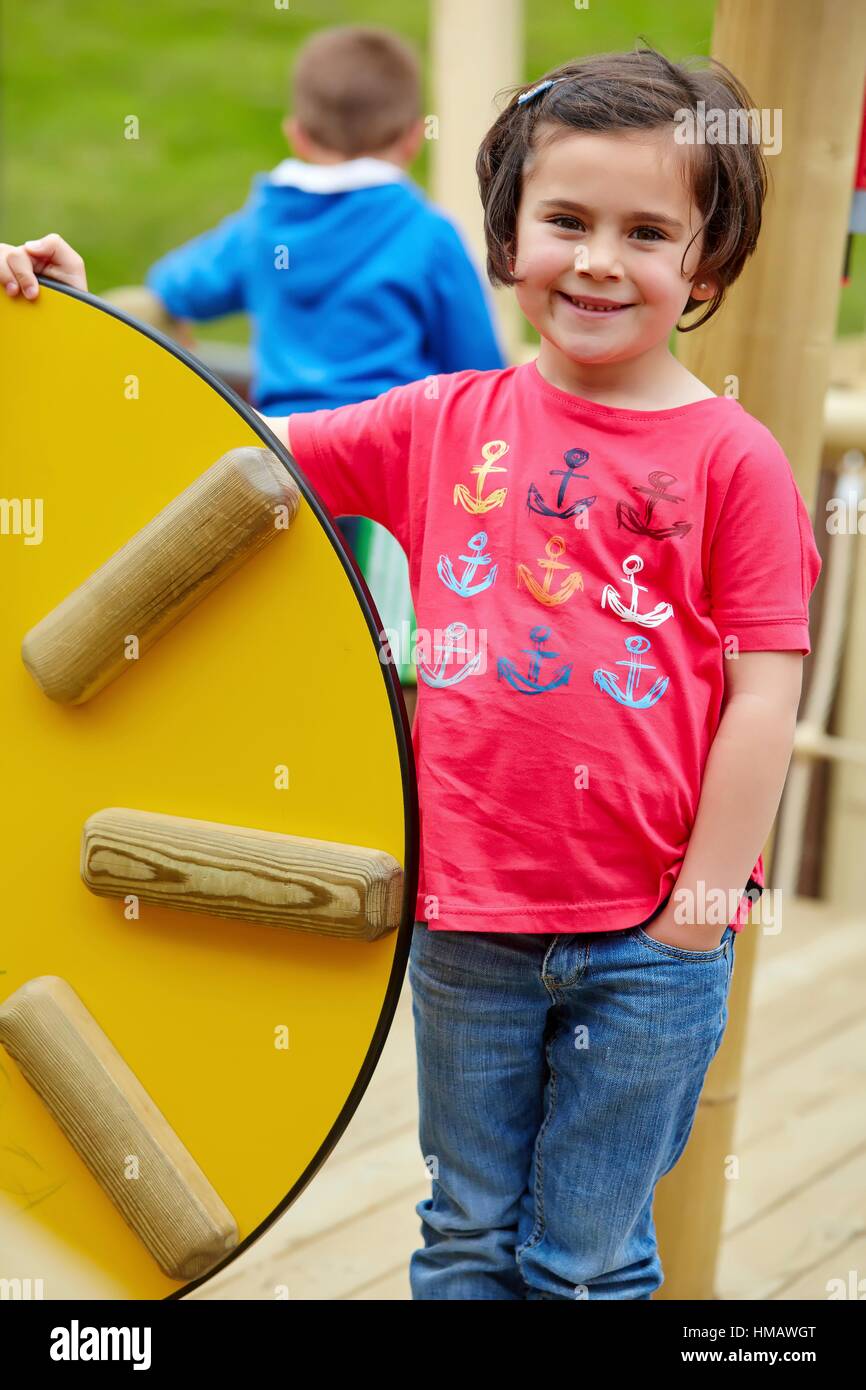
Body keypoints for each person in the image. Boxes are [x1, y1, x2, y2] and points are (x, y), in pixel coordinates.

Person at [2, 42, 823, 1302]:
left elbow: (764, 687)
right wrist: (78, 315)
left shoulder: (732, 462)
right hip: (471, 925)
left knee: (585, 1257)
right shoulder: (439, 421)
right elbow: (227, 444)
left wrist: (703, 902)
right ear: (505, 235)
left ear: (703, 261)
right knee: (463, 1233)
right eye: (565, 219)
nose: (599, 259)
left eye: (646, 231)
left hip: (650, 940)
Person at [142, 25, 508, 686]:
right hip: (389, 473)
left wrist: (176, 314)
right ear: (411, 138)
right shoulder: (425, 235)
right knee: (390, 660)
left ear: (298, 135)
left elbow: (178, 283)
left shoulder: (263, 226)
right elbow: (481, 371)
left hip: (284, 462)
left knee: (294, 642)